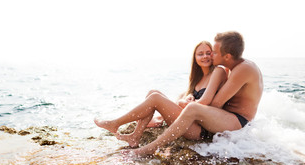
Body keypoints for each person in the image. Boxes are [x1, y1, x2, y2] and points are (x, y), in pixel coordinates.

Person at [124, 31, 263, 156]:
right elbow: (202, 94)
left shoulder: (243, 69)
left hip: (238, 121)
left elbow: (215, 104)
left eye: (213, 52)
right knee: (157, 95)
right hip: (223, 118)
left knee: (192, 107)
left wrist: (186, 104)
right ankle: (134, 133)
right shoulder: (229, 68)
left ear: (226, 56)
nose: (210, 55)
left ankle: (149, 148)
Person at [94, 41, 228, 147]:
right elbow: (184, 99)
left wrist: (184, 102)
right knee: (153, 92)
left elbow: (206, 102)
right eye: (200, 54)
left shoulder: (218, 71)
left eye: (208, 53)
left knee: (155, 98)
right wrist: (187, 98)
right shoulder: (197, 79)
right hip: (188, 122)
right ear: (195, 58)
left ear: (214, 54)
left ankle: (115, 123)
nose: (204, 56)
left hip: (200, 130)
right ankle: (135, 136)